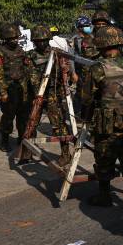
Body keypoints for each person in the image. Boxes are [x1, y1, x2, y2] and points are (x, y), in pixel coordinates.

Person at [81, 26, 123, 214]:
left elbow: (86, 98)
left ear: (101, 46)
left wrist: (86, 117)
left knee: (104, 160)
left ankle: (104, 196)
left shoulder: (97, 68)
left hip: (106, 126)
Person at [28, 25, 71, 166]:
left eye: (43, 40)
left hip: (53, 94)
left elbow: (66, 72)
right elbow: (28, 75)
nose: (41, 43)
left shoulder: (57, 53)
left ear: (48, 39)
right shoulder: (30, 56)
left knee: (58, 125)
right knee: (31, 123)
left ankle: (66, 154)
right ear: (34, 41)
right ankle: (28, 150)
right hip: (36, 95)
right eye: (37, 41)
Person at [0, 24, 32, 152]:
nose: (15, 40)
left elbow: (26, 68)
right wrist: (3, 93)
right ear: (5, 38)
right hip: (9, 88)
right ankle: (5, 140)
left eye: (16, 37)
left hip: (22, 87)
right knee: (8, 116)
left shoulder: (20, 50)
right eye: (12, 38)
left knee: (23, 115)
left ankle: (21, 138)